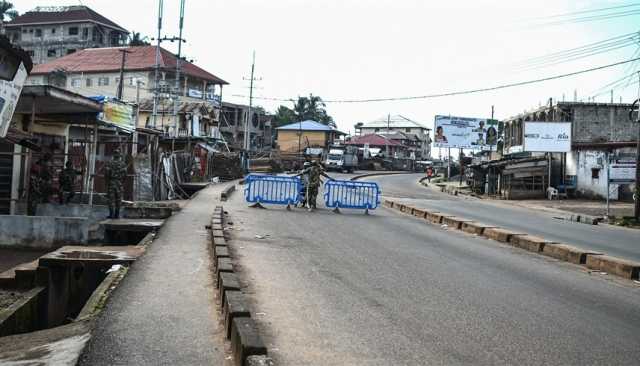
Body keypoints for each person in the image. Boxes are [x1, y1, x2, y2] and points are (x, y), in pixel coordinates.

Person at [105, 149, 127, 218]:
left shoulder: (109, 163)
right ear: (119, 156)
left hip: (111, 182)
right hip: (119, 183)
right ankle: (117, 215)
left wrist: (107, 182)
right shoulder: (123, 164)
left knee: (111, 199)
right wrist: (122, 182)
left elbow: (106, 174)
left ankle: (111, 214)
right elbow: (125, 174)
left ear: (114, 156)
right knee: (118, 199)